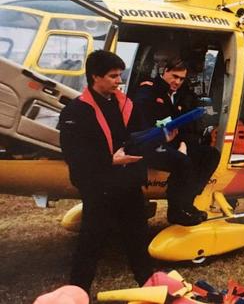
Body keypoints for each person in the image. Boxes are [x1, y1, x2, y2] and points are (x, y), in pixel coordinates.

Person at [58, 50, 152, 294]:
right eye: (112, 76)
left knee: (138, 240)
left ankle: (150, 289)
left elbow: (140, 134)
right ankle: (76, 293)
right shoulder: (74, 112)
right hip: (99, 187)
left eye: (120, 75)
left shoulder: (125, 104)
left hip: (128, 184)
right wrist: (109, 159)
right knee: (90, 243)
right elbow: (73, 154)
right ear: (94, 77)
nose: (118, 81)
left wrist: (161, 135)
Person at [133, 55, 219, 226]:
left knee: (210, 154)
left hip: (170, 143)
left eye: (181, 79)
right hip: (149, 144)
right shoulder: (148, 92)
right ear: (165, 72)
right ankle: (176, 211)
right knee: (183, 162)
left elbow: (182, 125)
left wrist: (183, 144)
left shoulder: (177, 96)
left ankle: (187, 203)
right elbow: (143, 126)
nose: (178, 82)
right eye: (175, 77)